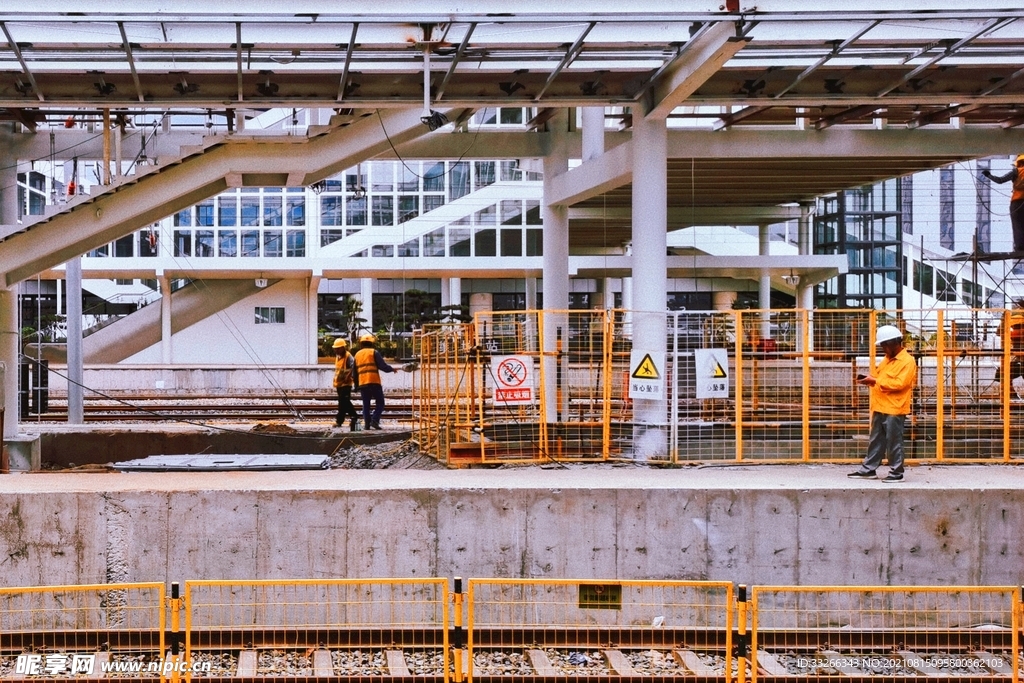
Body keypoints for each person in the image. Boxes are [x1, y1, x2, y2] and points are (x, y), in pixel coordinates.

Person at [849, 324, 918, 482]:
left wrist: (874, 380)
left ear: (893, 343)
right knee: (876, 440)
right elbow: (881, 379)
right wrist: (871, 380)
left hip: (895, 408)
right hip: (881, 405)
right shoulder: (888, 360)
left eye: (884, 345)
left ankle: (896, 472)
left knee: (894, 441)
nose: (882, 349)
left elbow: (900, 384)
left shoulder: (907, 361)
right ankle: (869, 469)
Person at [353, 333, 397, 430]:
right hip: (374, 382)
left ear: (362, 344)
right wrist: (392, 369)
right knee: (380, 402)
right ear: (371, 343)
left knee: (366, 404)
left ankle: (367, 425)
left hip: (363, 383)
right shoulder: (374, 352)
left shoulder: (357, 355)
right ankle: (375, 420)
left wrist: (356, 386)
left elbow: (354, 373)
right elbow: (383, 366)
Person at [981, 154, 1024, 252]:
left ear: (1019, 162)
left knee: (1017, 226)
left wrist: (988, 175)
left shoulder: (1016, 171)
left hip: (1017, 202)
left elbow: (1000, 180)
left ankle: (1020, 248)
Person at [332, 338, 359, 431]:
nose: (336, 350)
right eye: (335, 348)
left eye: (338, 348)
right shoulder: (338, 356)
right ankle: (344, 420)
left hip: (346, 383)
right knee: (343, 402)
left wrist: (349, 375)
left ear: (343, 347)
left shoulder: (348, 356)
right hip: (339, 384)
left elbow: (354, 366)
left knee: (344, 401)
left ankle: (352, 417)